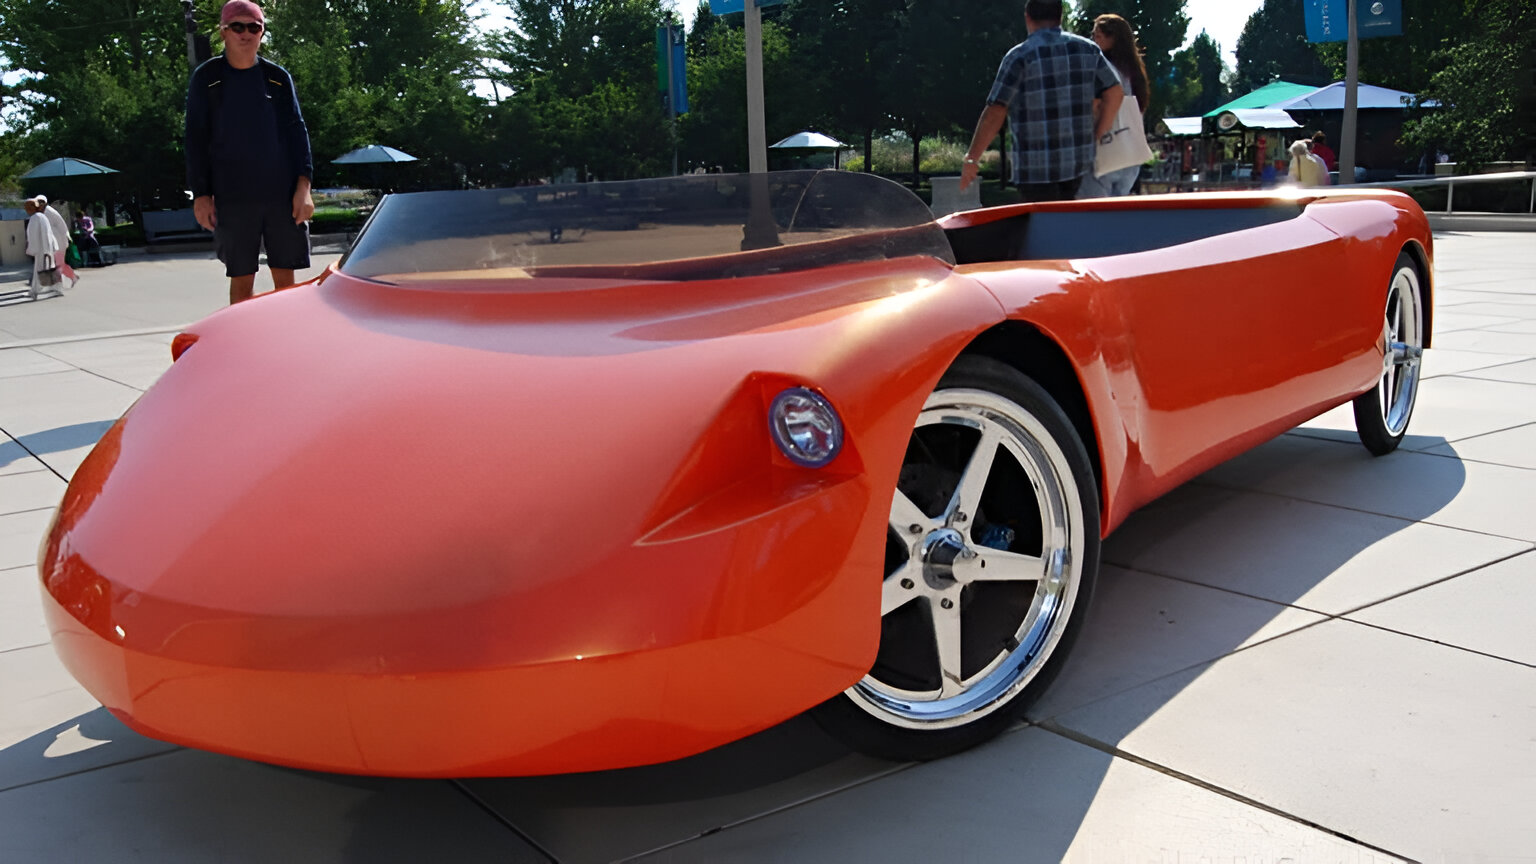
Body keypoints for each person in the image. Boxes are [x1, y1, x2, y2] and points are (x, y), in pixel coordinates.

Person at [185, 0, 314, 304]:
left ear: (262, 32)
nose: (246, 34)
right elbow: (195, 139)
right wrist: (201, 194)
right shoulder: (207, 78)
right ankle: (244, 348)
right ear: (224, 32)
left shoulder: (277, 78)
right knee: (242, 278)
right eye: (237, 27)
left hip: (281, 193)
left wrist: (304, 188)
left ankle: (286, 347)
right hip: (232, 196)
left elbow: (298, 133)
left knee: (286, 279)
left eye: (253, 27)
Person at [959, 0, 1121, 201]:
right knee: (1065, 220)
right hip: (1076, 162)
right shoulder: (1088, 50)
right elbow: (1114, 91)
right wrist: (1097, 132)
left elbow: (996, 110)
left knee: (1043, 225)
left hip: (1034, 169)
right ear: (1060, 16)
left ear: (1027, 17)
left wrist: (972, 158)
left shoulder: (1019, 56)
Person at [1077, 13, 1150, 199]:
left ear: (1113, 38)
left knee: (1093, 216)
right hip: (1129, 154)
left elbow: (1096, 104)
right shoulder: (1135, 74)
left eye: (1098, 36)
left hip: (1103, 151)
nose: (1093, 40)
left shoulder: (1101, 68)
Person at [23, 198, 63, 301]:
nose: (26, 209)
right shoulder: (42, 217)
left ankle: (36, 291)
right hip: (46, 248)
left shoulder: (35, 218)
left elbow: (33, 236)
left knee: (40, 270)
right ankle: (51, 289)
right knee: (47, 269)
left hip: (41, 249)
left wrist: (32, 249)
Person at [36, 195, 80, 288]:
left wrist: (66, 237)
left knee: (59, 264)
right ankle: (70, 278)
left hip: (59, 242)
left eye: (40, 202)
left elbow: (62, 225)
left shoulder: (49, 212)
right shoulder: (43, 213)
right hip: (54, 242)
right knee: (58, 264)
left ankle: (61, 282)